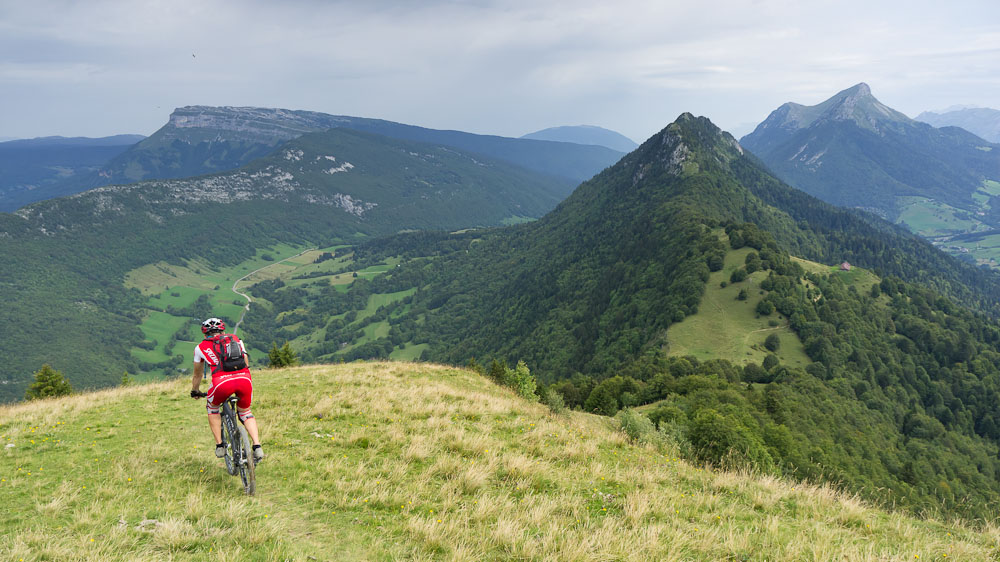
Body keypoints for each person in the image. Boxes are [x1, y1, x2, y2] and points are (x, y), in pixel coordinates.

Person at [190, 317, 264, 462]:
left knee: (212, 408)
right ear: (223, 330)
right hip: (244, 379)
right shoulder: (236, 339)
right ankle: (257, 446)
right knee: (245, 412)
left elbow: (197, 374)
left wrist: (195, 391)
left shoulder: (200, 347)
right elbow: (245, 362)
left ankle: (220, 445)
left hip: (221, 383)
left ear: (205, 334)